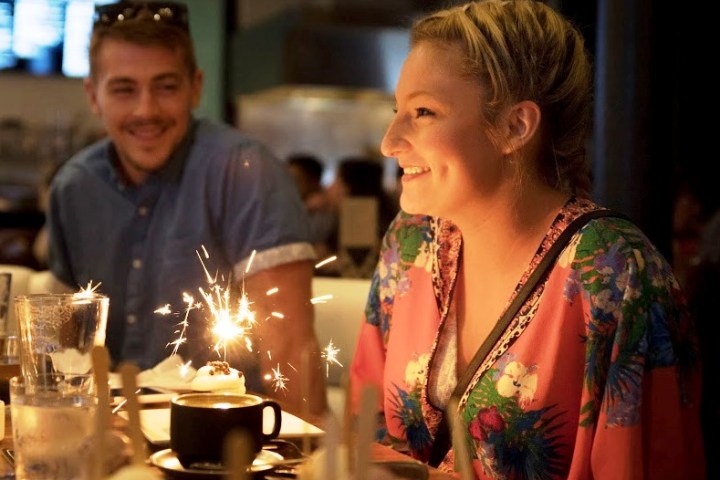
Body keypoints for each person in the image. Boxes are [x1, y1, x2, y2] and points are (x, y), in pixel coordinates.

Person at [350, 1, 704, 478]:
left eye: (424, 112)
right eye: (398, 111)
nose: (389, 141)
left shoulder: (617, 276)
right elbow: (362, 426)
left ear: (515, 127)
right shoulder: (409, 243)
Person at [47, 1, 326, 414]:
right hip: (114, 444)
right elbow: (67, 352)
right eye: (124, 89)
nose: (146, 110)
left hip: (234, 444)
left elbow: (289, 349)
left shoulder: (247, 172)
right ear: (93, 94)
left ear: (195, 87)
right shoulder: (73, 187)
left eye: (166, 86)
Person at [286, 153, 336, 259]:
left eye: (295, 179)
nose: (289, 184)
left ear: (314, 181)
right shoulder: (292, 205)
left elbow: (307, 240)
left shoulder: (324, 208)